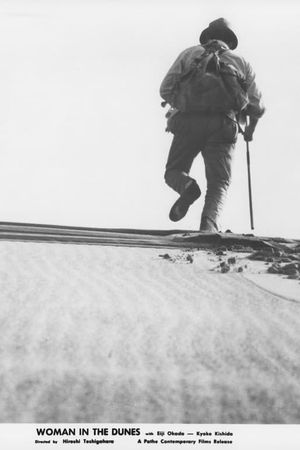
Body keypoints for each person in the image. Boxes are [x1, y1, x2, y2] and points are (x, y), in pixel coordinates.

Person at [160, 18, 265, 232]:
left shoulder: (189, 54)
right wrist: (250, 131)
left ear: (207, 37)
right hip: (224, 125)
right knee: (218, 184)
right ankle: (208, 227)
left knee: (174, 171)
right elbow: (257, 106)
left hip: (187, 121)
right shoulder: (241, 62)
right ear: (229, 41)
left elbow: (165, 89)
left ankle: (188, 187)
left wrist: (185, 106)